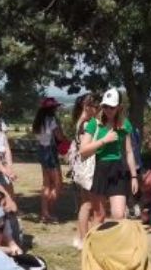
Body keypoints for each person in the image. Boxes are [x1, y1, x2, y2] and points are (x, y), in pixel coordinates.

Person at [79, 88, 139, 222]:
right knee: (99, 215)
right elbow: (83, 150)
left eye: (112, 107)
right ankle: (94, 242)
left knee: (119, 215)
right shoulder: (95, 123)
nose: (108, 110)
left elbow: (129, 152)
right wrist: (104, 140)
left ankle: (116, 242)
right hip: (99, 168)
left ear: (119, 107)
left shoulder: (125, 124)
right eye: (105, 106)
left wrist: (134, 176)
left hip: (117, 169)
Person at [70, 92, 100, 249]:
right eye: (95, 106)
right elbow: (85, 149)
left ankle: (81, 237)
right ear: (87, 106)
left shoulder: (81, 122)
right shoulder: (87, 124)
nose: (98, 109)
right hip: (88, 167)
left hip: (82, 168)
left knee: (85, 203)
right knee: (88, 204)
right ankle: (84, 238)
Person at [32, 97, 67, 223]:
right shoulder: (51, 120)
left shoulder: (38, 121)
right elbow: (60, 136)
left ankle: (44, 212)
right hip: (50, 151)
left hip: (41, 149)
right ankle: (49, 213)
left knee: (46, 183)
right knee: (57, 183)